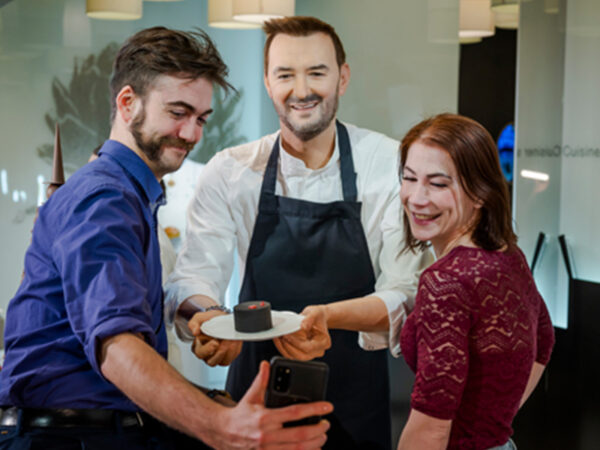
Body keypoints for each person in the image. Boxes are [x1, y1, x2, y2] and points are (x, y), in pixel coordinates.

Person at [0, 26, 332, 450]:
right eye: (178, 112)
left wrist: (212, 400)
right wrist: (220, 425)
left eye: (201, 119)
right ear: (127, 103)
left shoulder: (134, 196)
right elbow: (116, 346)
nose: (192, 134)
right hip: (70, 437)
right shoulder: (105, 197)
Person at [164, 16, 433, 450]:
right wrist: (209, 318)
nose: (302, 89)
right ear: (268, 82)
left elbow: (405, 290)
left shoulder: (388, 161)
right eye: (286, 74)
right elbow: (193, 276)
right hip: (252, 399)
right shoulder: (231, 170)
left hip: (355, 398)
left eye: (317, 72)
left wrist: (327, 317)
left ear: (343, 78)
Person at [285, 113, 556, 450]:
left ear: (481, 192)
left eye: (438, 184)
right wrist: (492, 424)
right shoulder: (507, 255)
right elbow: (544, 342)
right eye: (409, 178)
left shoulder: (445, 282)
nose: (416, 197)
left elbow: (430, 430)